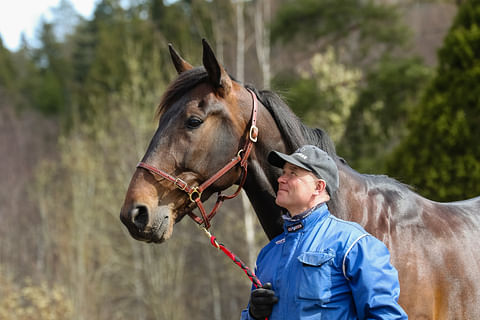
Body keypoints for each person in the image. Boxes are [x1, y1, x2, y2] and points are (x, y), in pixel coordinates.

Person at [241, 145, 408, 319]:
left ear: (318, 187)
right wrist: (253, 314)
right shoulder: (267, 254)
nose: (281, 179)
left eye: (293, 173)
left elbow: (386, 316)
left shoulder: (353, 243)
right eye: (283, 172)